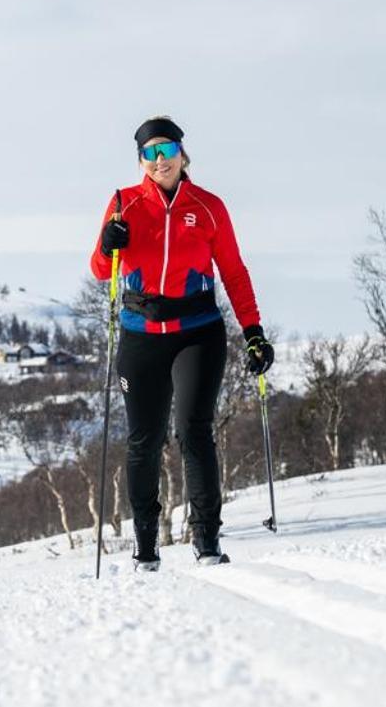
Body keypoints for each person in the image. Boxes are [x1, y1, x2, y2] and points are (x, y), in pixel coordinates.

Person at [91, 116, 272, 569]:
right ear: (140, 161)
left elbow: (233, 271)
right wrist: (107, 244)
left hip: (198, 332)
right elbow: (99, 269)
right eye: (150, 154)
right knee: (144, 440)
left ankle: (207, 540)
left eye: (166, 150)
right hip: (141, 335)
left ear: (181, 154)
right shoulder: (122, 205)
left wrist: (253, 332)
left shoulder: (208, 207)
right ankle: (146, 546)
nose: (159, 161)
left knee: (194, 431)